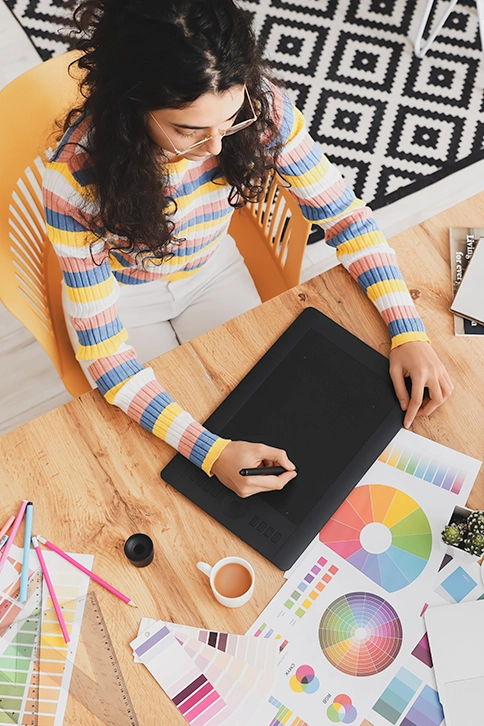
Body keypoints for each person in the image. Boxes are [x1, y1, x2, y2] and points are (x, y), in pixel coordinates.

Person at [43, 0, 453, 498]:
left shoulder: (262, 109)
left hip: (214, 266)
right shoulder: (75, 183)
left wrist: (409, 331)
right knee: (183, 437)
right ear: (130, 106)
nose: (216, 149)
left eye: (230, 120)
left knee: (272, 405)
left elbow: (346, 218)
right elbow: (106, 356)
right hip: (126, 297)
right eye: (188, 130)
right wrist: (209, 452)